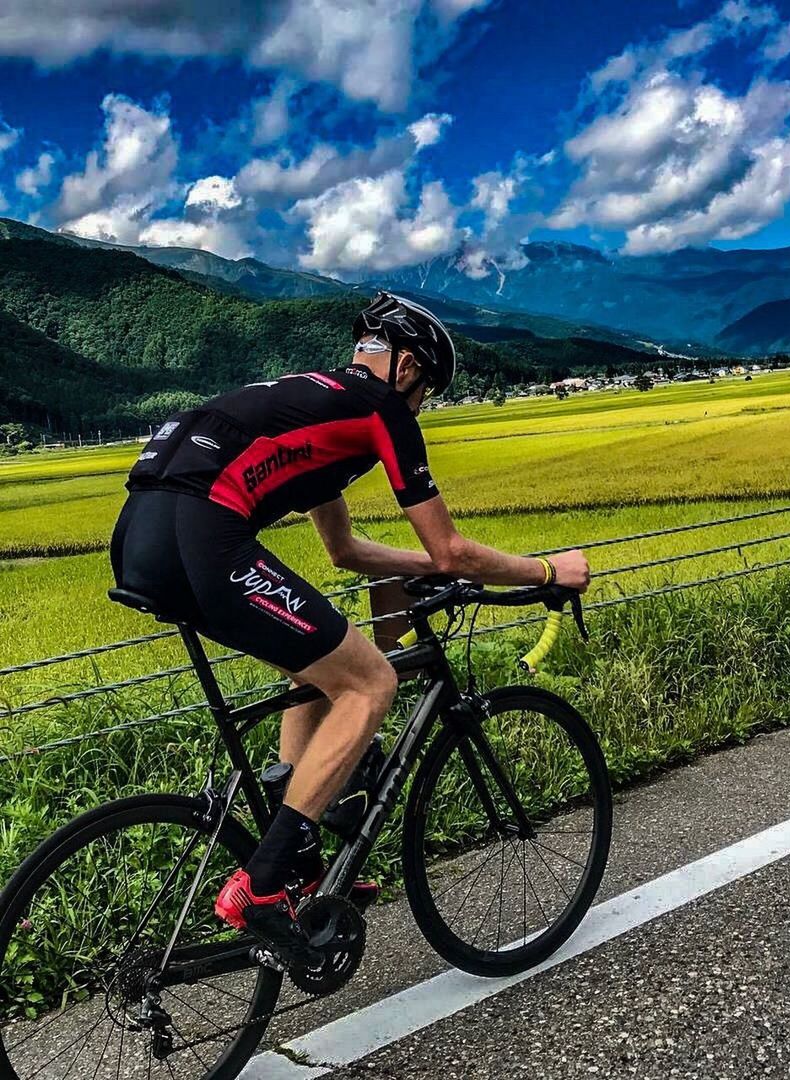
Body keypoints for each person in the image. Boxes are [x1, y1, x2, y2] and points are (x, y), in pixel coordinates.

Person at [109, 292, 590, 950]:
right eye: (427, 394)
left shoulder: (317, 405)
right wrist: (544, 571)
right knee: (371, 684)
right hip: (203, 530)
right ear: (409, 368)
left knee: (314, 668)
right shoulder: (382, 408)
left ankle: (298, 850)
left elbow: (346, 551)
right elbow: (451, 548)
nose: (420, 408)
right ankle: (264, 880)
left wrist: (426, 567)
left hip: (141, 534)